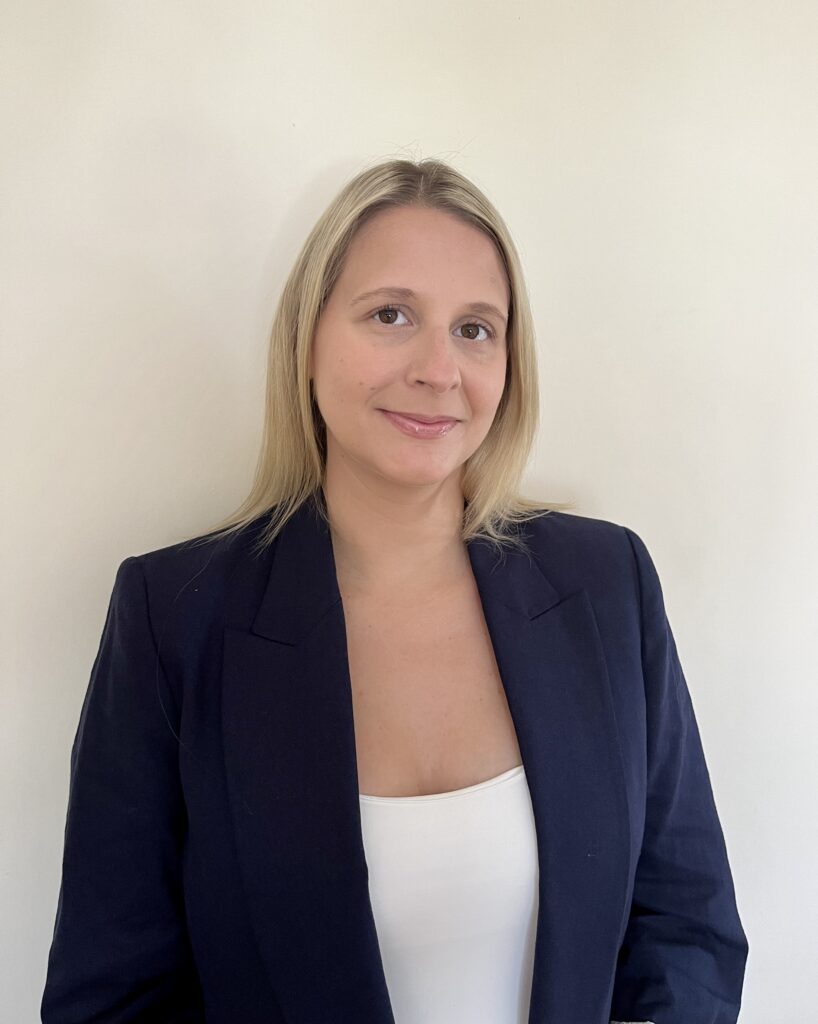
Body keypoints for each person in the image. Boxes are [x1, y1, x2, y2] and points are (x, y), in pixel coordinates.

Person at [41, 158, 749, 1024]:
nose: (438, 368)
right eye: (390, 315)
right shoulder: (174, 617)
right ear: (307, 341)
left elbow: (687, 925)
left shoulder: (606, 585)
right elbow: (112, 997)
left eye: (475, 329)